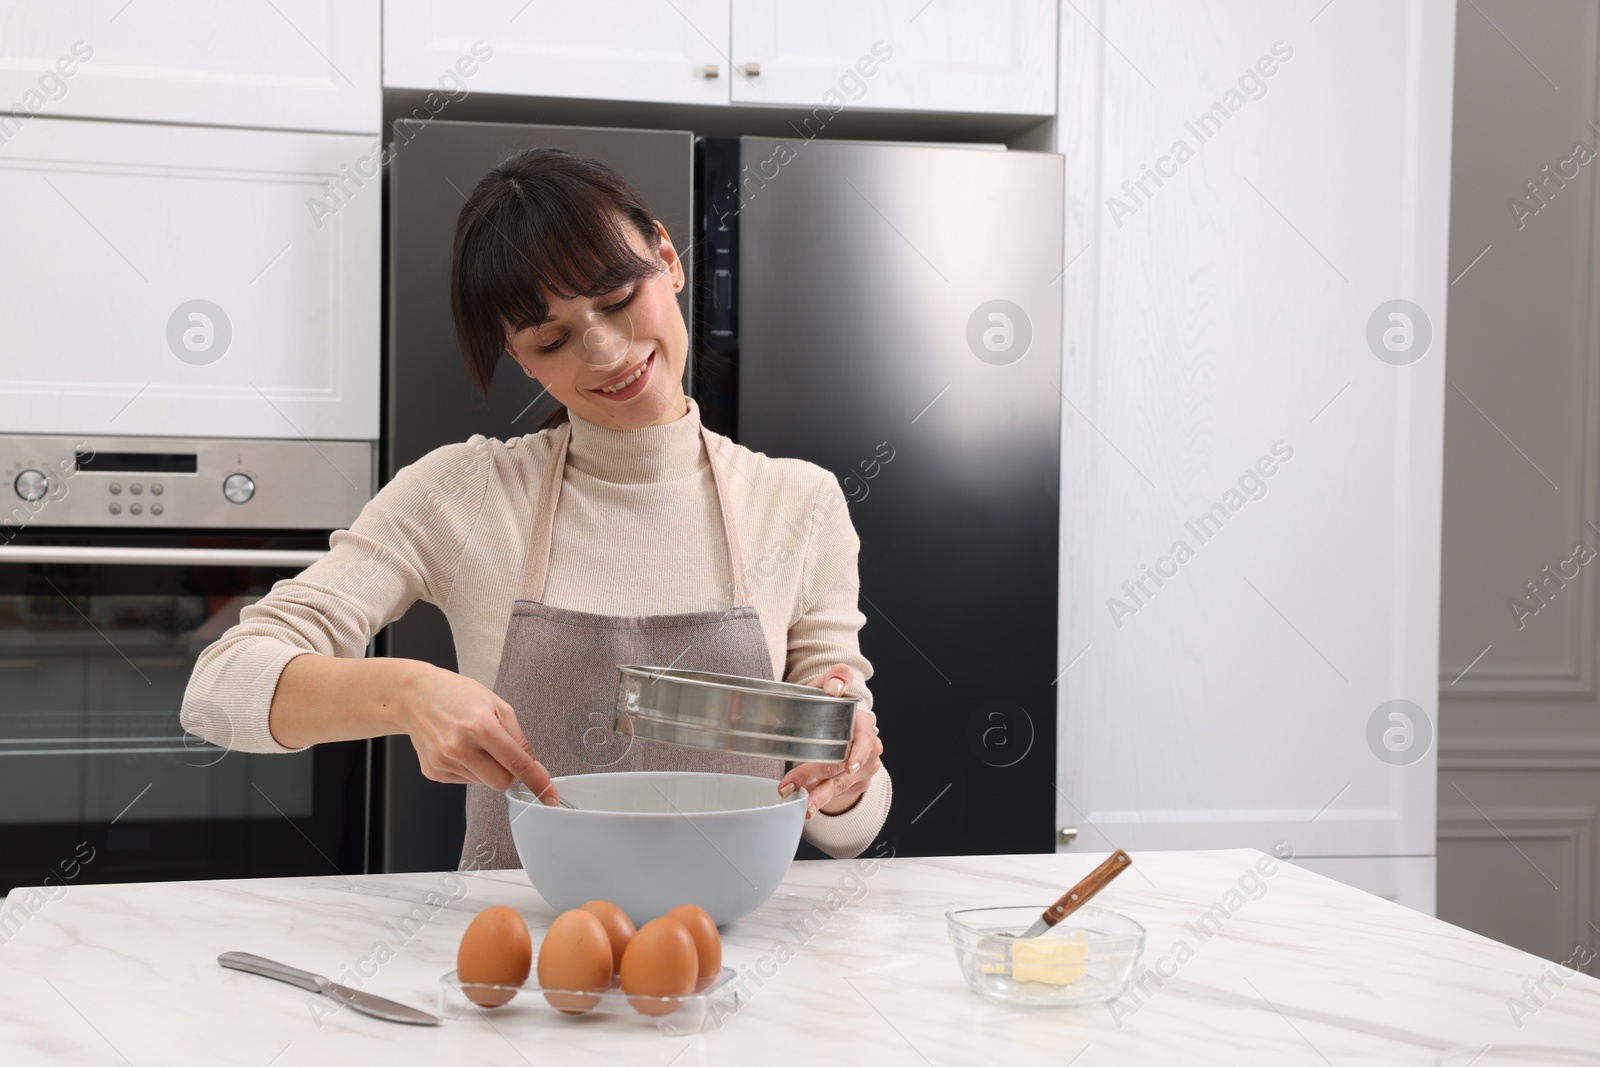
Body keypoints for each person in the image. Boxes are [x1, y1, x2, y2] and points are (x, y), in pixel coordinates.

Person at [181, 147, 890, 866]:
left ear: (667, 256)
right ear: (521, 357)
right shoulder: (463, 494)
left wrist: (845, 778)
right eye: (554, 340)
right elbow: (218, 686)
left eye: (617, 301)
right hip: (523, 959)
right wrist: (404, 692)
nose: (608, 351)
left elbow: (848, 821)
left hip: (728, 952)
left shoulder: (800, 501)